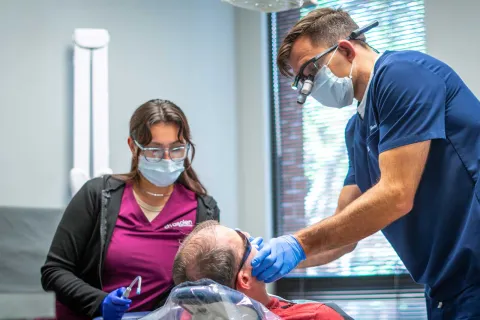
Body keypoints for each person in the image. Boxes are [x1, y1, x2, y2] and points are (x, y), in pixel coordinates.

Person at [250, 7, 480, 320]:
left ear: (344, 49)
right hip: (446, 286)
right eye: (301, 82)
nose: (307, 88)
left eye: (309, 74)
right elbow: (344, 236)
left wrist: (298, 244)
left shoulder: (403, 75)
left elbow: (396, 195)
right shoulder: (357, 131)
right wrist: (272, 259)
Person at [41, 99, 220, 320]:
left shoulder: (203, 210)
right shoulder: (98, 196)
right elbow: (53, 271)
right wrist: (99, 302)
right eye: (154, 149)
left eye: (176, 148)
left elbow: (209, 287)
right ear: (133, 146)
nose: (166, 159)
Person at [172, 220, 350, 320]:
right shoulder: (316, 316)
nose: (252, 237)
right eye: (245, 241)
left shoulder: (187, 316)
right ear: (245, 279)